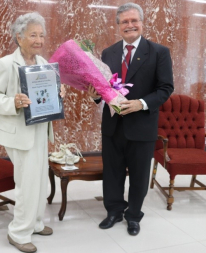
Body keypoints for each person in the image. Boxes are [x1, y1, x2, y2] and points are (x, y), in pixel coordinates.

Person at [87, 2, 174, 236]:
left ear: (142, 23)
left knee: (139, 175)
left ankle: (134, 215)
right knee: (112, 172)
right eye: (124, 21)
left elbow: (165, 88)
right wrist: (95, 96)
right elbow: (104, 87)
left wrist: (140, 104)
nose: (130, 25)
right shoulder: (108, 53)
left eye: (134, 20)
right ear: (118, 26)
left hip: (142, 125)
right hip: (112, 125)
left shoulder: (159, 52)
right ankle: (114, 210)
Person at [0, 12, 65, 253]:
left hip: (40, 130)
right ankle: (18, 233)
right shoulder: (6, 63)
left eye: (41, 35)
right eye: (33, 35)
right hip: (19, 133)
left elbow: (46, 95)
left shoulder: (43, 63)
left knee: (39, 182)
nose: (39, 40)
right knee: (27, 185)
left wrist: (58, 95)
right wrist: (14, 102)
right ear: (19, 37)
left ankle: (36, 223)